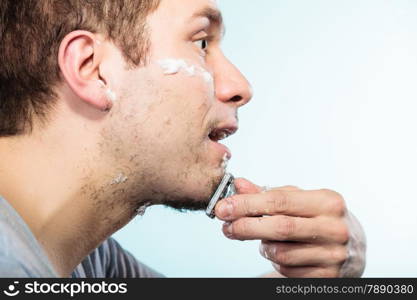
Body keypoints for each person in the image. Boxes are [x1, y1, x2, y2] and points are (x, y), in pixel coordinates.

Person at [0, 0, 366, 278]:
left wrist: (326, 275)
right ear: (93, 70)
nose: (240, 87)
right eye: (202, 42)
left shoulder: (86, 262)